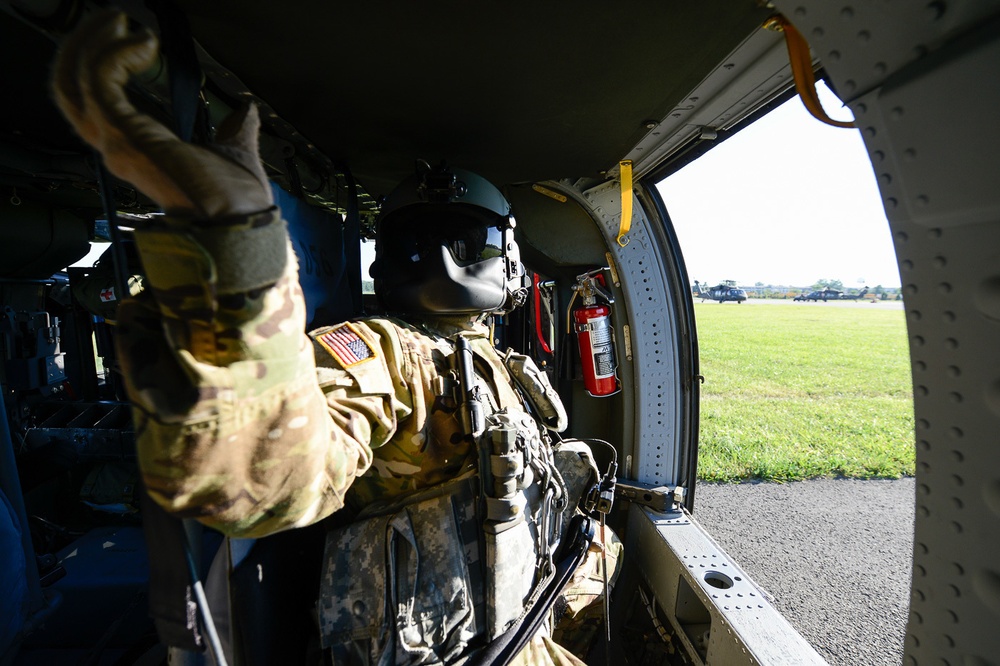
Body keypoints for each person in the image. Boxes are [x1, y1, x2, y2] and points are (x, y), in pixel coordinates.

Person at [52, 11, 619, 665]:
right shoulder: (378, 353)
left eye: (468, 244)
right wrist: (244, 271)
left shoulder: (506, 369)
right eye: (426, 243)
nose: (446, 260)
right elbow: (272, 478)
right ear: (514, 264)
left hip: (526, 633)